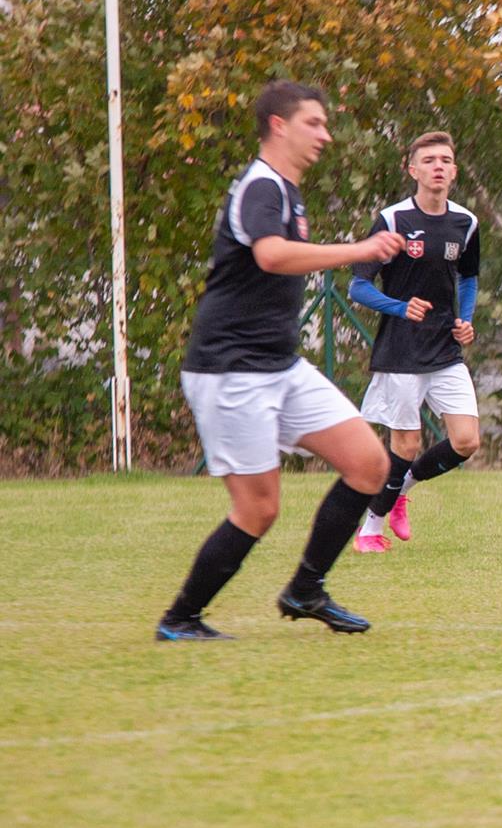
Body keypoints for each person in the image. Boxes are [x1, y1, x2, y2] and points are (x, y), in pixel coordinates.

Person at [156, 81, 404, 641]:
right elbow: (271, 256)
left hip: (279, 365)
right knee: (258, 509)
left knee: (369, 464)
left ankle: (305, 590)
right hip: (230, 370)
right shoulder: (262, 187)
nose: (325, 134)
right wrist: (360, 251)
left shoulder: (288, 192)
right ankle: (180, 619)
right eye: (314, 123)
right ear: (278, 125)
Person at [347, 131, 482, 553]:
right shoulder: (393, 221)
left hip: (445, 349)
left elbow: (469, 278)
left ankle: (402, 489)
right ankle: (370, 528)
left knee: (466, 441)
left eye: (445, 160)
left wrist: (466, 320)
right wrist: (399, 307)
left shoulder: (466, 222)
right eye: (429, 160)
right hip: (401, 350)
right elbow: (358, 286)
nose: (438, 166)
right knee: (406, 444)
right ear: (413, 170)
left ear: (454, 171)